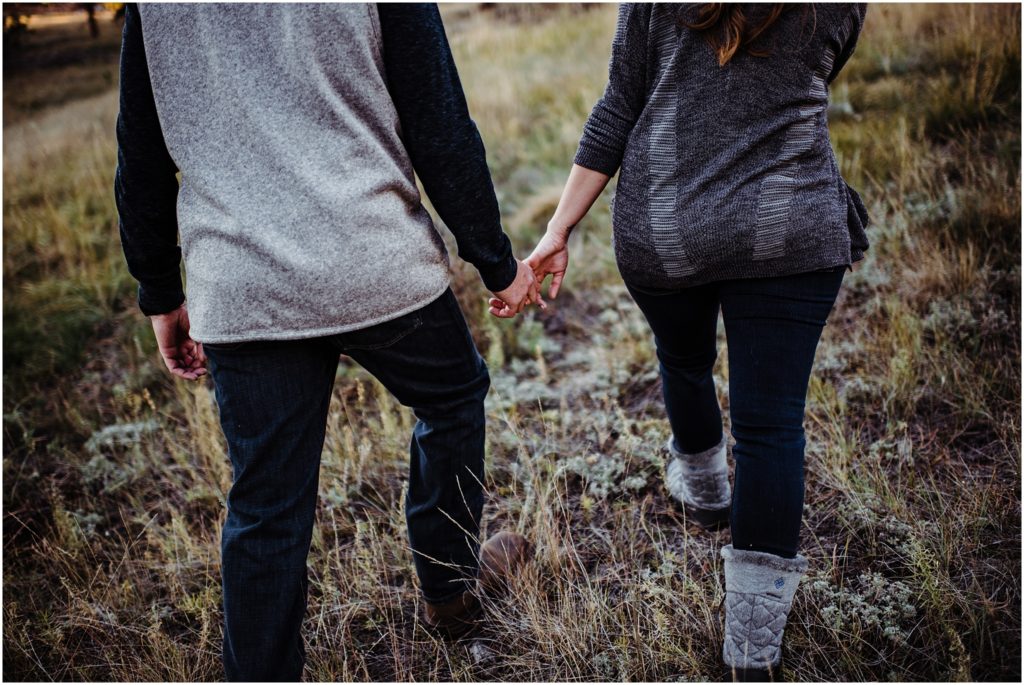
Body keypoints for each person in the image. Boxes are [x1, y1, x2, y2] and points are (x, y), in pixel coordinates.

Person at [114, 3, 535, 680]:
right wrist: (496, 260)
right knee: (455, 396)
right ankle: (452, 589)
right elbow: (439, 122)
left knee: (266, 507)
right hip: (373, 259)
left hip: (243, 283)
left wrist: (160, 291)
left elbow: (141, 150)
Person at [510, 3, 870, 681]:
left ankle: (705, 490)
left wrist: (558, 229)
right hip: (789, 226)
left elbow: (621, 101)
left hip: (665, 227)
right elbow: (826, 68)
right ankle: (752, 654)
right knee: (771, 426)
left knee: (683, 357)